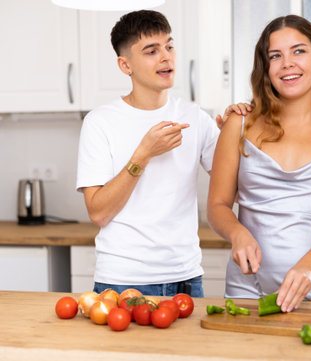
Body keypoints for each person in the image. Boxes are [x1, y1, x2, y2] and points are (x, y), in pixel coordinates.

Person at [76, 10, 248, 297]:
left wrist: (236, 133)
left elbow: (240, 192)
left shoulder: (195, 118)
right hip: (123, 280)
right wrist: (143, 154)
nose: (166, 57)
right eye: (151, 51)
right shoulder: (100, 122)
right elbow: (99, 212)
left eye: (169, 46)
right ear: (125, 65)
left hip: (187, 278)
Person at [207, 15, 311, 312]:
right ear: (266, 69)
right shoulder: (238, 125)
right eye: (275, 56)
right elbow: (217, 205)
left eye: (299, 51)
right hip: (247, 284)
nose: (287, 63)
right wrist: (237, 233)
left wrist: (307, 268)